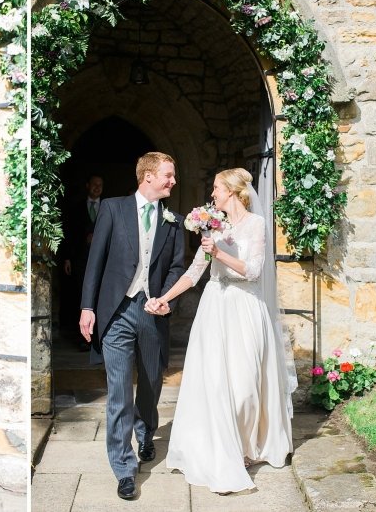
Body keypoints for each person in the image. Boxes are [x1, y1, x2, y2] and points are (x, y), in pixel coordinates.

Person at [147, 168, 297, 494]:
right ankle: (226, 451)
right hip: (215, 308)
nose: (212, 193)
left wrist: (220, 253)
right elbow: (194, 272)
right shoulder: (213, 225)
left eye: (216, 188)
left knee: (244, 387)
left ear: (231, 191)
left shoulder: (256, 225)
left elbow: (254, 270)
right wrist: (163, 298)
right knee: (215, 384)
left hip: (245, 309)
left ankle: (247, 444)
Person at [79, 152, 185, 500]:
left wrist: (166, 298)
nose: (173, 181)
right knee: (120, 391)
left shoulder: (174, 220)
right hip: (116, 311)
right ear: (149, 176)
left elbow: (176, 267)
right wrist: (87, 307)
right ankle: (124, 468)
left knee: (152, 382)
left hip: (153, 311)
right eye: (168, 175)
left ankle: (147, 430)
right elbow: (96, 261)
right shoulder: (113, 208)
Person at [59, 174, 104, 350]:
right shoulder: (76, 207)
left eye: (100, 185)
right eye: (94, 184)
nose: (97, 187)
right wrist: (68, 257)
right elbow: (68, 233)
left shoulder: (109, 206)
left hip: (102, 260)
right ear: (87, 185)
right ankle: (84, 338)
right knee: (82, 297)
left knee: (101, 297)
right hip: (80, 258)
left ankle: (99, 339)